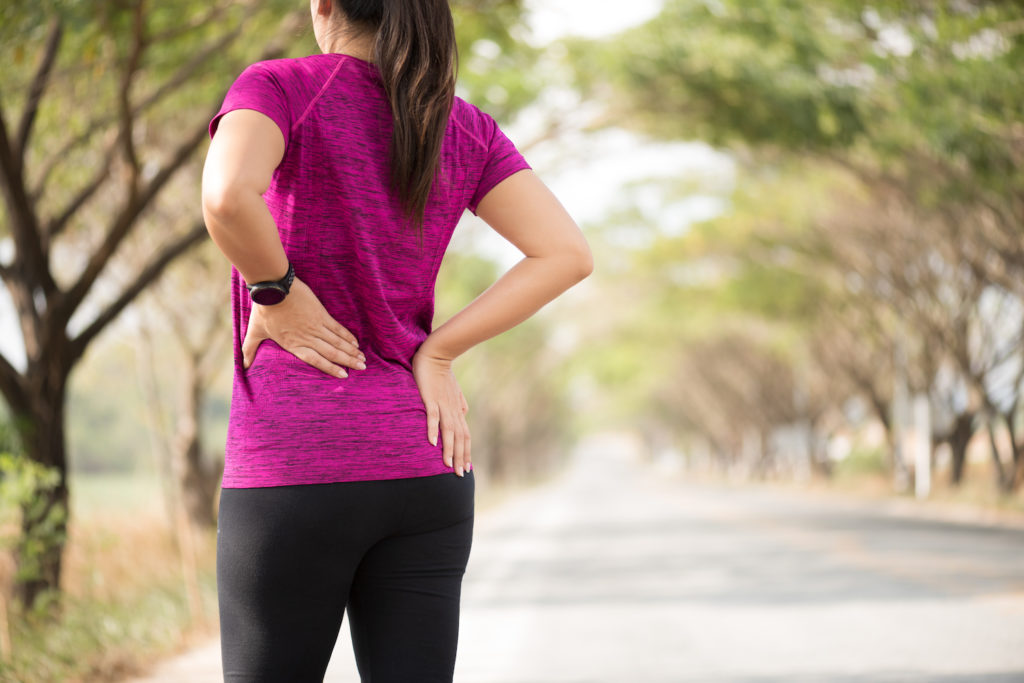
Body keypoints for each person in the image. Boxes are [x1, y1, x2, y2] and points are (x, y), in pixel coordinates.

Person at [201, 0, 593, 680]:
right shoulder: (461, 125)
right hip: (426, 462)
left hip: (298, 461)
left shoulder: (280, 84)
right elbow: (566, 253)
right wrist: (437, 351)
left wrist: (277, 290)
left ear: (325, 5)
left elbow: (228, 195)